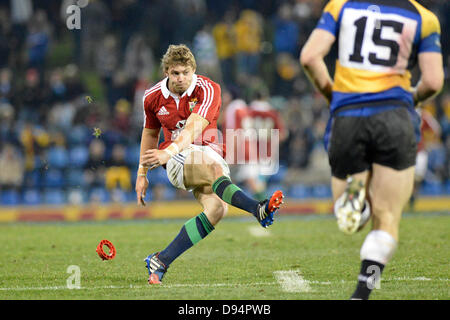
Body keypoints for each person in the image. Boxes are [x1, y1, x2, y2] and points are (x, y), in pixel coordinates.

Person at [300, 0, 444, 299]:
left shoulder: (341, 6)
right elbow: (432, 81)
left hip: (348, 116)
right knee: (388, 216)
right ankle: (361, 294)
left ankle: (356, 198)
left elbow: (310, 57)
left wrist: (334, 96)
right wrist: (411, 100)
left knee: (349, 220)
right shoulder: (425, 18)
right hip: (394, 114)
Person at [135, 44, 284, 284]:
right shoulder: (152, 97)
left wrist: (169, 150)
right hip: (177, 159)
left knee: (216, 210)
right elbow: (150, 134)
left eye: (185, 72)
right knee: (212, 169)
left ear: (194, 70)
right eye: (175, 73)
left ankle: (161, 260)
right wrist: (142, 173)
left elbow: (195, 124)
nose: (181, 78)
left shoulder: (209, 89)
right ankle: (258, 208)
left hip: (209, 153)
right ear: (166, 72)